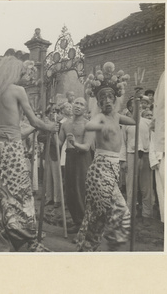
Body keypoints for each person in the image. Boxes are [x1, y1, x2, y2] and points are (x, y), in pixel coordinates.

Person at [0, 56, 58, 252]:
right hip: (12, 149)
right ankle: (29, 240)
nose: (24, 76)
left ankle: (0, 242)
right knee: (20, 194)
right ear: (14, 73)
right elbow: (34, 122)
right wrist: (50, 126)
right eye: (22, 72)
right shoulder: (18, 91)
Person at [76, 62, 135, 252]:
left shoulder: (117, 117)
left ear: (115, 99)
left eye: (110, 97)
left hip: (113, 168)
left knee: (97, 215)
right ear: (99, 103)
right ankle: (113, 246)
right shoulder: (101, 117)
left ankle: (87, 249)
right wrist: (104, 126)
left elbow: (134, 121)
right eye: (103, 98)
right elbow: (89, 126)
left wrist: (138, 103)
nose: (107, 100)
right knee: (120, 210)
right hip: (100, 170)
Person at [59, 97, 94, 233]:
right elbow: (58, 142)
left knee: (81, 192)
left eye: (81, 104)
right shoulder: (65, 124)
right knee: (70, 191)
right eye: (76, 103)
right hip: (69, 158)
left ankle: (86, 226)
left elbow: (86, 147)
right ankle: (77, 222)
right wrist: (48, 132)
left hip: (83, 159)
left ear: (85, 109)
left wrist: (75, 143)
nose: (78, 106)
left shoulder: (88, 124)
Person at [120, 98, 155, 222]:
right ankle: (131, 213)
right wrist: (123, 160)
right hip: (131, 155)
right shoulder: (126, 124)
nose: (139, 107)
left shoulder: (147, 123)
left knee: (146, 187)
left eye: (140, 106)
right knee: (131, 187)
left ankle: (147, 214)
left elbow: (152, 141)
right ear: (130, 108)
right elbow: (123, 143)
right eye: (136, 106)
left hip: (145, 156)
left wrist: (152, 158)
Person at [149, 71, 165, 223]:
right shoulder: (155, 124)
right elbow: (152, 141)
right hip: (161, 155)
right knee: (162, 190)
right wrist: (155, 160)